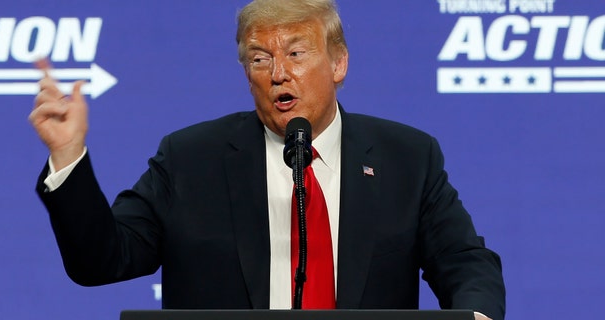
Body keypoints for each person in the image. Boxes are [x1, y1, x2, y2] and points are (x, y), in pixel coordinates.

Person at [29, 0, 505, 319]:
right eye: (259, 59)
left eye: (297, 53)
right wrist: (68, 154)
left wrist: (477, 313)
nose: (279, 74)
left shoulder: (408, 157)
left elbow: (465, 262)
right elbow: (102, 260)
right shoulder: (191, 159)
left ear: (338, 64)